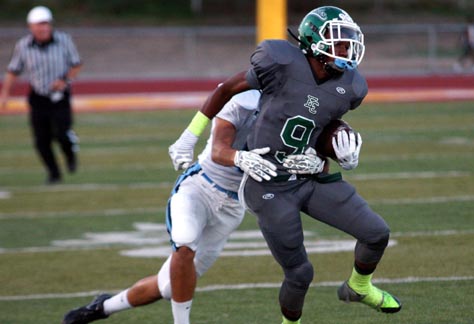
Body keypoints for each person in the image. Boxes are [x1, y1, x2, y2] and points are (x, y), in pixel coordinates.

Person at [176, 6, 402, 324]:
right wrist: (190, 135)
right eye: (338, 43)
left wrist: (344, 150)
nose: (347, 50)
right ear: (313, 43)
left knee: (377, 233)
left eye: (349, 43)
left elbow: (318, 125)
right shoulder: (279, 63)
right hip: (268, 186)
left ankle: (358, 286)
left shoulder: (350, 86)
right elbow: (226, 89)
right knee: (300, 273)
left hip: (307, 177)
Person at [60, 90, 323, 324]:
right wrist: (238, 156)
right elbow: (219, 150)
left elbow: (314, 154)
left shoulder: (298, 109)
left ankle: (102, 307)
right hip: (200, 186)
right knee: (185, 242)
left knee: (168, 289)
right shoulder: (245, 101)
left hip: (233, 206)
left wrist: (328, 159)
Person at [0, 6, 82, 184]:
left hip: (60, 96)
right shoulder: (23, 45)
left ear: (50, 25)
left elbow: (76, 64)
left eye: (45, 24)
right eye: (38, 25)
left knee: (62, 134)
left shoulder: (64, 40)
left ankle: (70, 155)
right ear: (31, 27)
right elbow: (13, 70)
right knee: (41, 141)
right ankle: (54, 174)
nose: (43, 28)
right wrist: (4, 94)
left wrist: (64, 80)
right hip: (38, 97)